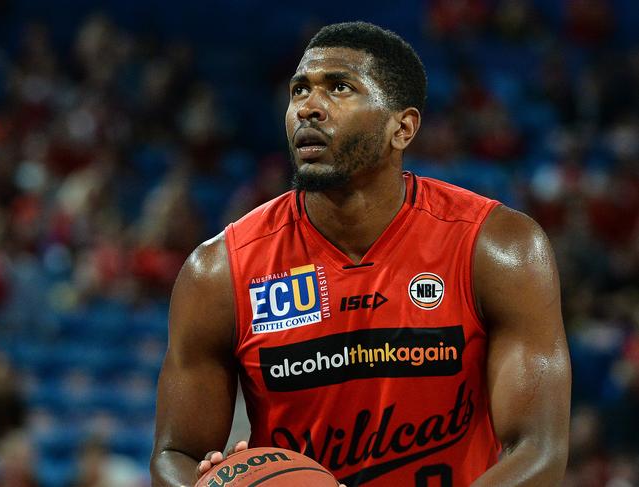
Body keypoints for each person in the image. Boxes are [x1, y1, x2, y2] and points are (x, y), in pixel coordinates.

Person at [150, 21, 571, 486]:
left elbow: (538, 451)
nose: (308, 107)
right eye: (299, 91)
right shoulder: (219, 271)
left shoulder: (497, 248)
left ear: (402, 128)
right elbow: (175, 454)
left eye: (339, 87)